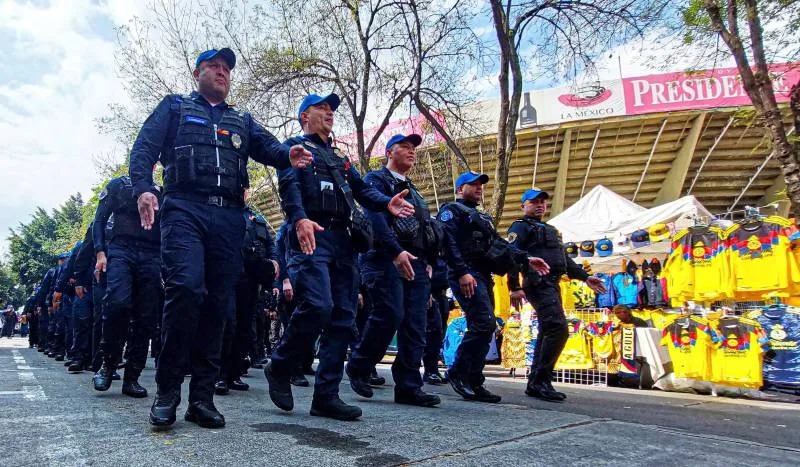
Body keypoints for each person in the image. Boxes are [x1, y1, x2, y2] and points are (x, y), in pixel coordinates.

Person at [129, 47, 313, 430]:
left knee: (218, 304)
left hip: (228, 218)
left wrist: (288, 153)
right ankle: (167, 393)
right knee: (185, 289)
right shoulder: (175, 107)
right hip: (183, 209)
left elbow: (271, 148)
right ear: (197, 73)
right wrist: (145, 188)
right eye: (214, 66)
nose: (222, 72)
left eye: (227, 68)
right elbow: (143, 148)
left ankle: (202, 398)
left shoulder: (241, 119)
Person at [265, 92, 414, 421]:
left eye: (331, 109)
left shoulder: (339, 158)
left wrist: (384, 203)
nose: (329, 113)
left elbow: (361, 189)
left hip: (343, 241)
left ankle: (326, 396)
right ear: (305, 116)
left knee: (343, 317)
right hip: (310, 235)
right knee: (318, 306)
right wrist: (298, 217)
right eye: (322, 108)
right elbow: (288, 186)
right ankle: (280, 364)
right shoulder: (294, 148)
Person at [437, 172, 549, 403]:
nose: (479, 187)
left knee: (487, 325)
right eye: (473, 184)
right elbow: (447, 243)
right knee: (483, 323)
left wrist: (526, 259)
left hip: (482, 273)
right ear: (460, 189)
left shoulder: (482, 216)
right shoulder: (452, 211)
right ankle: (458, 372)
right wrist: (462, 272)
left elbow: (498, 244)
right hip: (465, 272)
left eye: (480, 185)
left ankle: (474, 380)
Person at [346, 134, 441, 407]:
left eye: (414, 148)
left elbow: (426, 228)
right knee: (389, 314)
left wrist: (430, 260)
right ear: (390, 152)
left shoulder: (414, 190)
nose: (412, 152)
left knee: (415, 323)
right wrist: (395, 252)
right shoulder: (376, 181)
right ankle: (360, 365)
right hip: (384, 257)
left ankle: (409, 386)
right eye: (405, 147)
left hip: (416, 261)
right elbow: (375, 219)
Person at [507, 188, 607, 402]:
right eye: (534, 202)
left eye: (543, 201)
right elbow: (512, 256)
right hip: (537, 283)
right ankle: (541, 380)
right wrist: (514, 286)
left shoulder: (551, 229)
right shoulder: (520, 227)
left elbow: (564, 260)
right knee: (558, 329)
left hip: (553, 284)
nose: (540, 205)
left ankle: (537, 381)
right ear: (523, 205)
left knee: (548, 330)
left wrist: (585, 277)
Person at [91, 175, 163, 398]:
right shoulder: (119, 185)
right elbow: (100, 220)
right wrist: (100, 253)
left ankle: (132, 377)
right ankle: (108, 364)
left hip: (152, 253)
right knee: (117, 304)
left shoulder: (162, 189)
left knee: (146, 317)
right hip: (121, 249)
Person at [216, 206, 278, 395]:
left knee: (246, 328)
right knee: (228, 324)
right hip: (227, 275)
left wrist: (274, 264)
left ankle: (234, 374)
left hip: (251, 279)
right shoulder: (222, 210)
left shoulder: (257, 219)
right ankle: (219, 375)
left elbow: (270, 246)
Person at [422, 251, 452, 384]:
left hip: (442, 292)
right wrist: (426, 290)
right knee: (433, 330)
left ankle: (433, 368)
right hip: (430, 291)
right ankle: (430, 370)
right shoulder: (430, 239)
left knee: (440, 332)